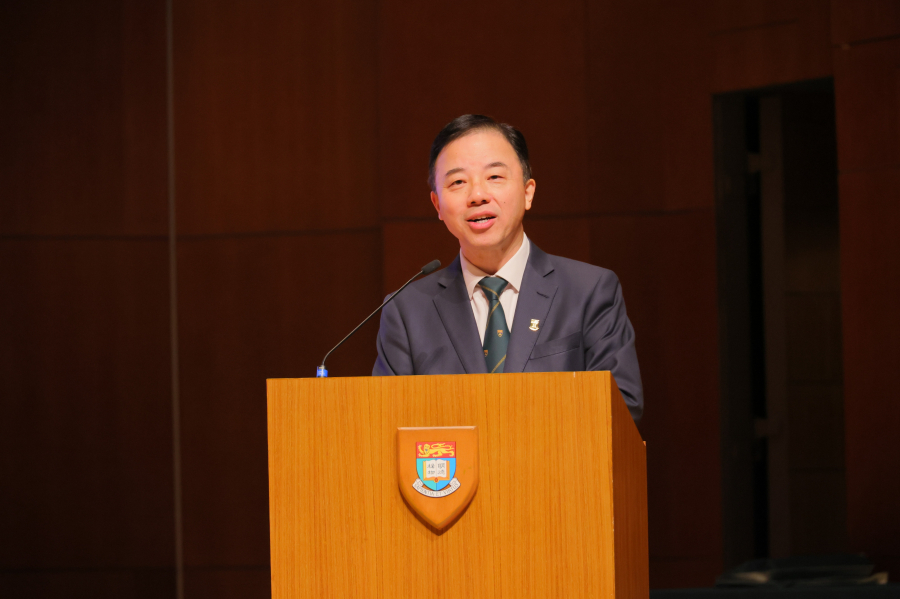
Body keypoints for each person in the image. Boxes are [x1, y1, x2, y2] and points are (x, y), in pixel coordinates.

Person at [373, 115, 643, 420]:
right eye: (458, 182)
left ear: (528, 192)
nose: (477, 195)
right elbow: (388, 422)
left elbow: (621, 406)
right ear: (437, 205)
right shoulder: (406, 312)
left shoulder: (588, 291)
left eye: (494, 177)